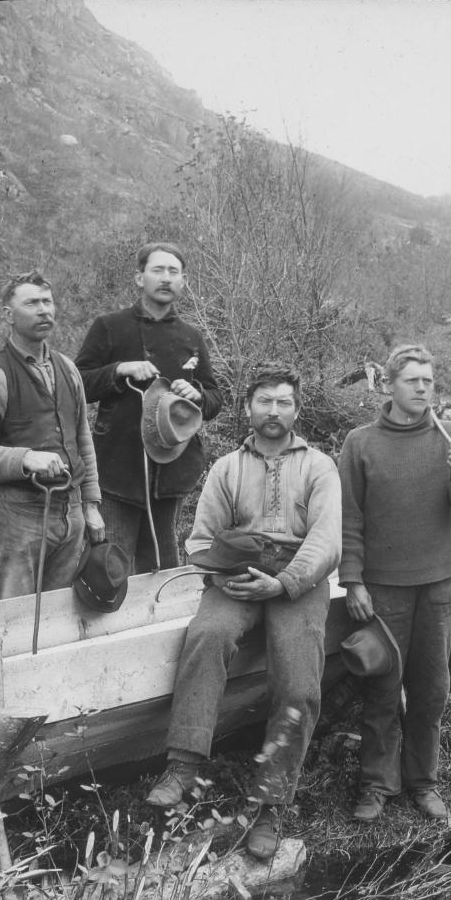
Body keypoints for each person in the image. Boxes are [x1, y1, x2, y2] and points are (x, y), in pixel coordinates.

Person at [144, 363, 341, 860]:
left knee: (298, 681)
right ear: (248, 407)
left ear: (297, 410)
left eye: (283, 402)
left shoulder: (319, 467)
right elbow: (201, 539)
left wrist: (284, 582)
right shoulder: (226, 468)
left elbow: (326, 542)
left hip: (297, 579)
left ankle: (270, 804)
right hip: (236, 574)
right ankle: (184, 764)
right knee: (207, 634)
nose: (273, 411)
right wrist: (222, 576)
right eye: (264, 401)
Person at [337, 343, 451, 823]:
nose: (422, 389)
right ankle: (377, 783)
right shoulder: (360, 443)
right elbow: (349, 519)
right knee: (382, 688)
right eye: (412, 381)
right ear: (388, 385)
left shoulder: (450, 435)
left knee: (431, 687)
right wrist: (353, 581)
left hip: (438, 584)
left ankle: (423, 781)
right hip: (383, 588)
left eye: (428, 381)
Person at [0, 270, 105, 601]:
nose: (43, 310)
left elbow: (83, 441)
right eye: (32, 303)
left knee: (58, 617)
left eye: (47, 302)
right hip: (19, 516)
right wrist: (25, 458)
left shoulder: (68, 368)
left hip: (71, 513)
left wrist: (91, 505)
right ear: (8, 315)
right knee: (12, 618)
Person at [74, 242, 222, 573]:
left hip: (171, 472)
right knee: (110, 569)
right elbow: (77, 383)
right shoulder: (110, 326)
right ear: (140, 278)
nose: (166, 278)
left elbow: (215, 398)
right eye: (158, 270)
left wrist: (197, 394)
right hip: (117, 471)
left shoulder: (191, 336)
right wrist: (119, 370)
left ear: (183, 282)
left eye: (173, 272)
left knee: (161, 568)